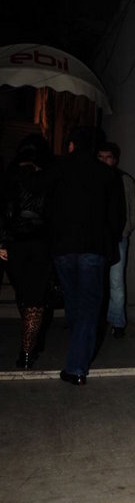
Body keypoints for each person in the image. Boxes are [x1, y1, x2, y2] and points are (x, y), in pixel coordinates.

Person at [24, 126, 126, 385]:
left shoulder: (59, 167)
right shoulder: (106, 173)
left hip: (63, 248)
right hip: (93, 248)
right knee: (89, 306)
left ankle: (77, 358)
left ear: (71, 145)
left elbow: (33, 188)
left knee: (74, 303)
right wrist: (110, 243)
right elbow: (116, 215)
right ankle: (77, 365)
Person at [0, 134, 54, 369]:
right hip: (42, 244)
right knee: (35, 299)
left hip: (16, 243)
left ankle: (30, 341)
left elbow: (3, 209)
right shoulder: (49, 176)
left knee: (23, 294)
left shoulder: (10, 175)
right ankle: (28, 350)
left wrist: (2, 241)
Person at [97, 141, 135, 338]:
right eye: (101, 157)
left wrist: (125, 231)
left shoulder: (124, 180)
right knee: (97, 279)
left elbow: (134, 209)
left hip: (117, 238)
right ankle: (98, 319)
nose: (104, 161)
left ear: (115, 160)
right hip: (96, 237)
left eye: (108, 157)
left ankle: (117, 321)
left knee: (115, 281)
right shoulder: (92, 177)